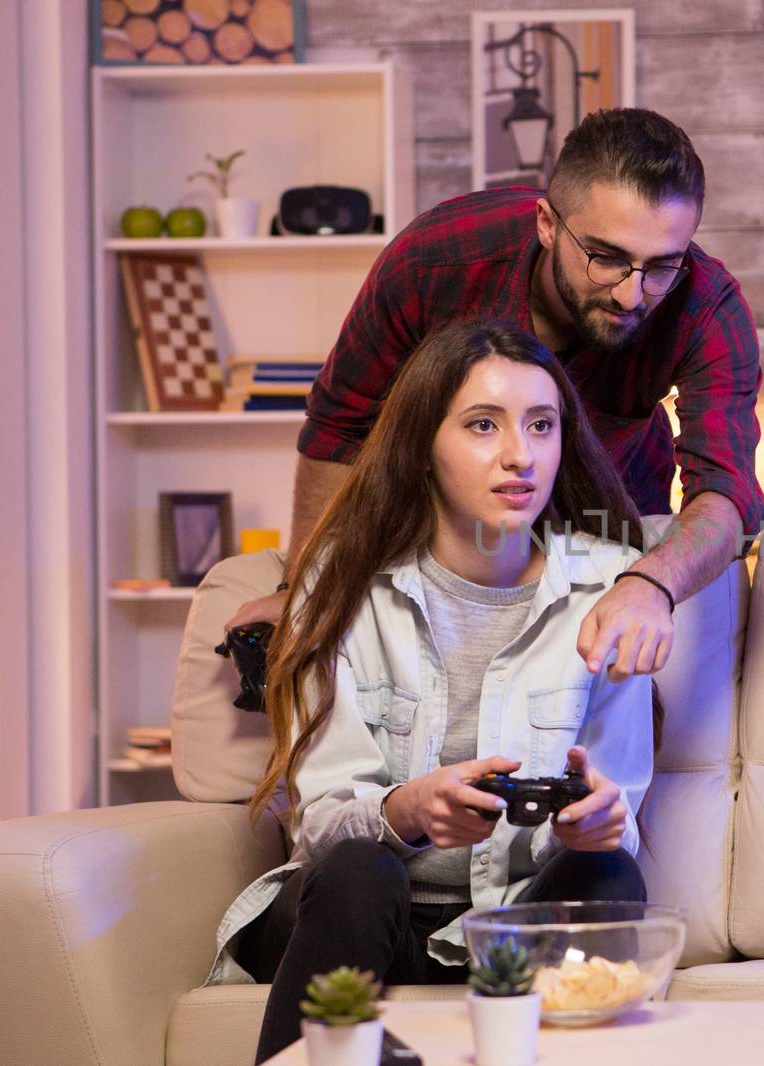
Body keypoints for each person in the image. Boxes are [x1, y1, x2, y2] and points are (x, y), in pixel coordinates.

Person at [205, 320, 655, 1064]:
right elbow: (318, 826)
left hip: (508, 929)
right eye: (484, 425)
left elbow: (619, 804)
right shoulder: (343, 584)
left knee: (609, 871)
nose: (521, 455)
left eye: (542, 426)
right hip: (362, 913)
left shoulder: (612, 589)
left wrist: (600, 823)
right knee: (359, 868)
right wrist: (403, 812)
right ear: (422, 446)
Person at [226, 108, 764, 682]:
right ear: (547, 224)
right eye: (606, 258)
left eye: (661, 265)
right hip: (447, 531)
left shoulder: (707, 304)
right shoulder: (434, 261)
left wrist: (650, 584)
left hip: (610, 523)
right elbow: (340, 427)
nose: (633, 295)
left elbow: (727, 489)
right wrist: (301, 588)